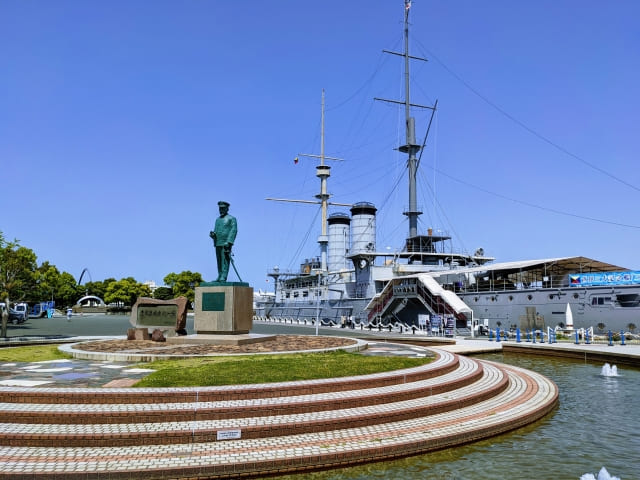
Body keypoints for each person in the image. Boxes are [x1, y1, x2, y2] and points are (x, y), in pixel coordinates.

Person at [209, 201, 237, 282]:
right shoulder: (217, 220)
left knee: (225, 260)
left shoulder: (231, 219)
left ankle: (223, 276)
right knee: (219, 260)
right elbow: (216, 231)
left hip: (226, 243)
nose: (221, 210)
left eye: (222, 208)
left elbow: (234, 230)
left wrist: (229, 242)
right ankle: (220, 275)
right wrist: (213, 235)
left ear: (227, 209)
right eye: (220, 208)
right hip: (217, 242)